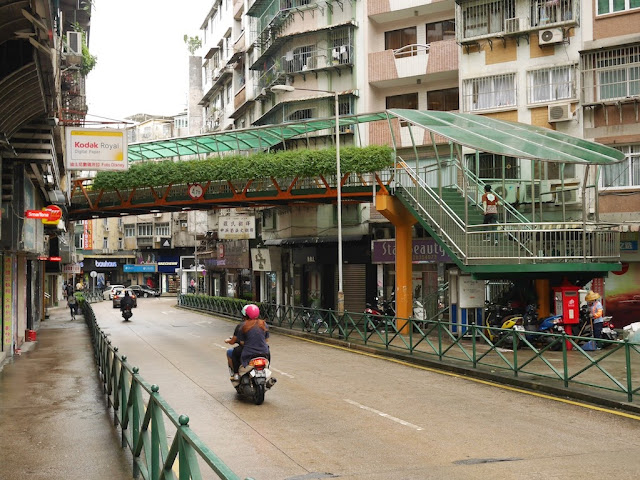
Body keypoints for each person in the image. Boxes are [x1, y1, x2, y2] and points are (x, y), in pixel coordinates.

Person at [235, 303, 270, 373]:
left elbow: (242, 342)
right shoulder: (264, 324)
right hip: (263, 353)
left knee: (235, 352)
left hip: (249, 354)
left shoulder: (243, 325)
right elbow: (266, 340)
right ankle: (267, 368)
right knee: (268, 351)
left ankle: (236, 374)